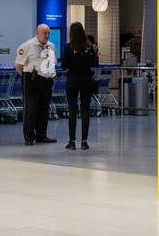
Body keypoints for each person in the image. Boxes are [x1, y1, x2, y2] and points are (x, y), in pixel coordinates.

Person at [15, 24, 57, 145]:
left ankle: (41, 135)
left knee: (44, 109)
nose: (47, 35)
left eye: (48, 33)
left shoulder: (52, 46)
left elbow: (52, 62)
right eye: (44, 33)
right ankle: (29, 137)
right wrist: (28, 78)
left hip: (47, 81)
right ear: (37, 33)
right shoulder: (27, 46)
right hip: (31, 80)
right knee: (31, 109)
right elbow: (18, 66)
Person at [61, 22, 99, 150]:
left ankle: (72, 141)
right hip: (86, 80)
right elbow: (95, 64)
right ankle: (84, 141)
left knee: (72, 110)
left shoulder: (69, 47)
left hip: (72, 80)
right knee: (85, 110)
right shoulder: (89, 48)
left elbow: (64, 65)